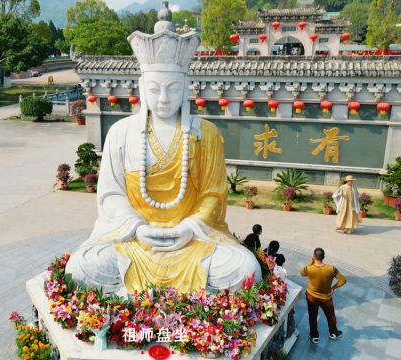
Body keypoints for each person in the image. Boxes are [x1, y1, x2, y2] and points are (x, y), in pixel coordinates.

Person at [65, 7, 261, 295]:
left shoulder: (205, 134)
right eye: (155, 89)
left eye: (173, 88)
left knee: (243, 269)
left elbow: (213, 196)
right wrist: (137, 226)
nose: (164, 98)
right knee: (81, 268)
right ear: (143, 87)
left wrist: (188, 228)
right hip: (134, 238)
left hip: (193, 239)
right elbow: (110, 195)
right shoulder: (121, 133)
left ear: (185, 87)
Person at [300, 248, 346, 344]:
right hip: (326, 298)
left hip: (311, 296)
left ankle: (314, 336)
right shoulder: (331, 269)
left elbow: (301, 273)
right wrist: (333, 288)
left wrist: (310, 262)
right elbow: (343, 280)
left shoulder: (309, 268)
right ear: (323, 257)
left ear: (313, 256)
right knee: (331, 316)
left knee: (312, 316)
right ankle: (333, 333)